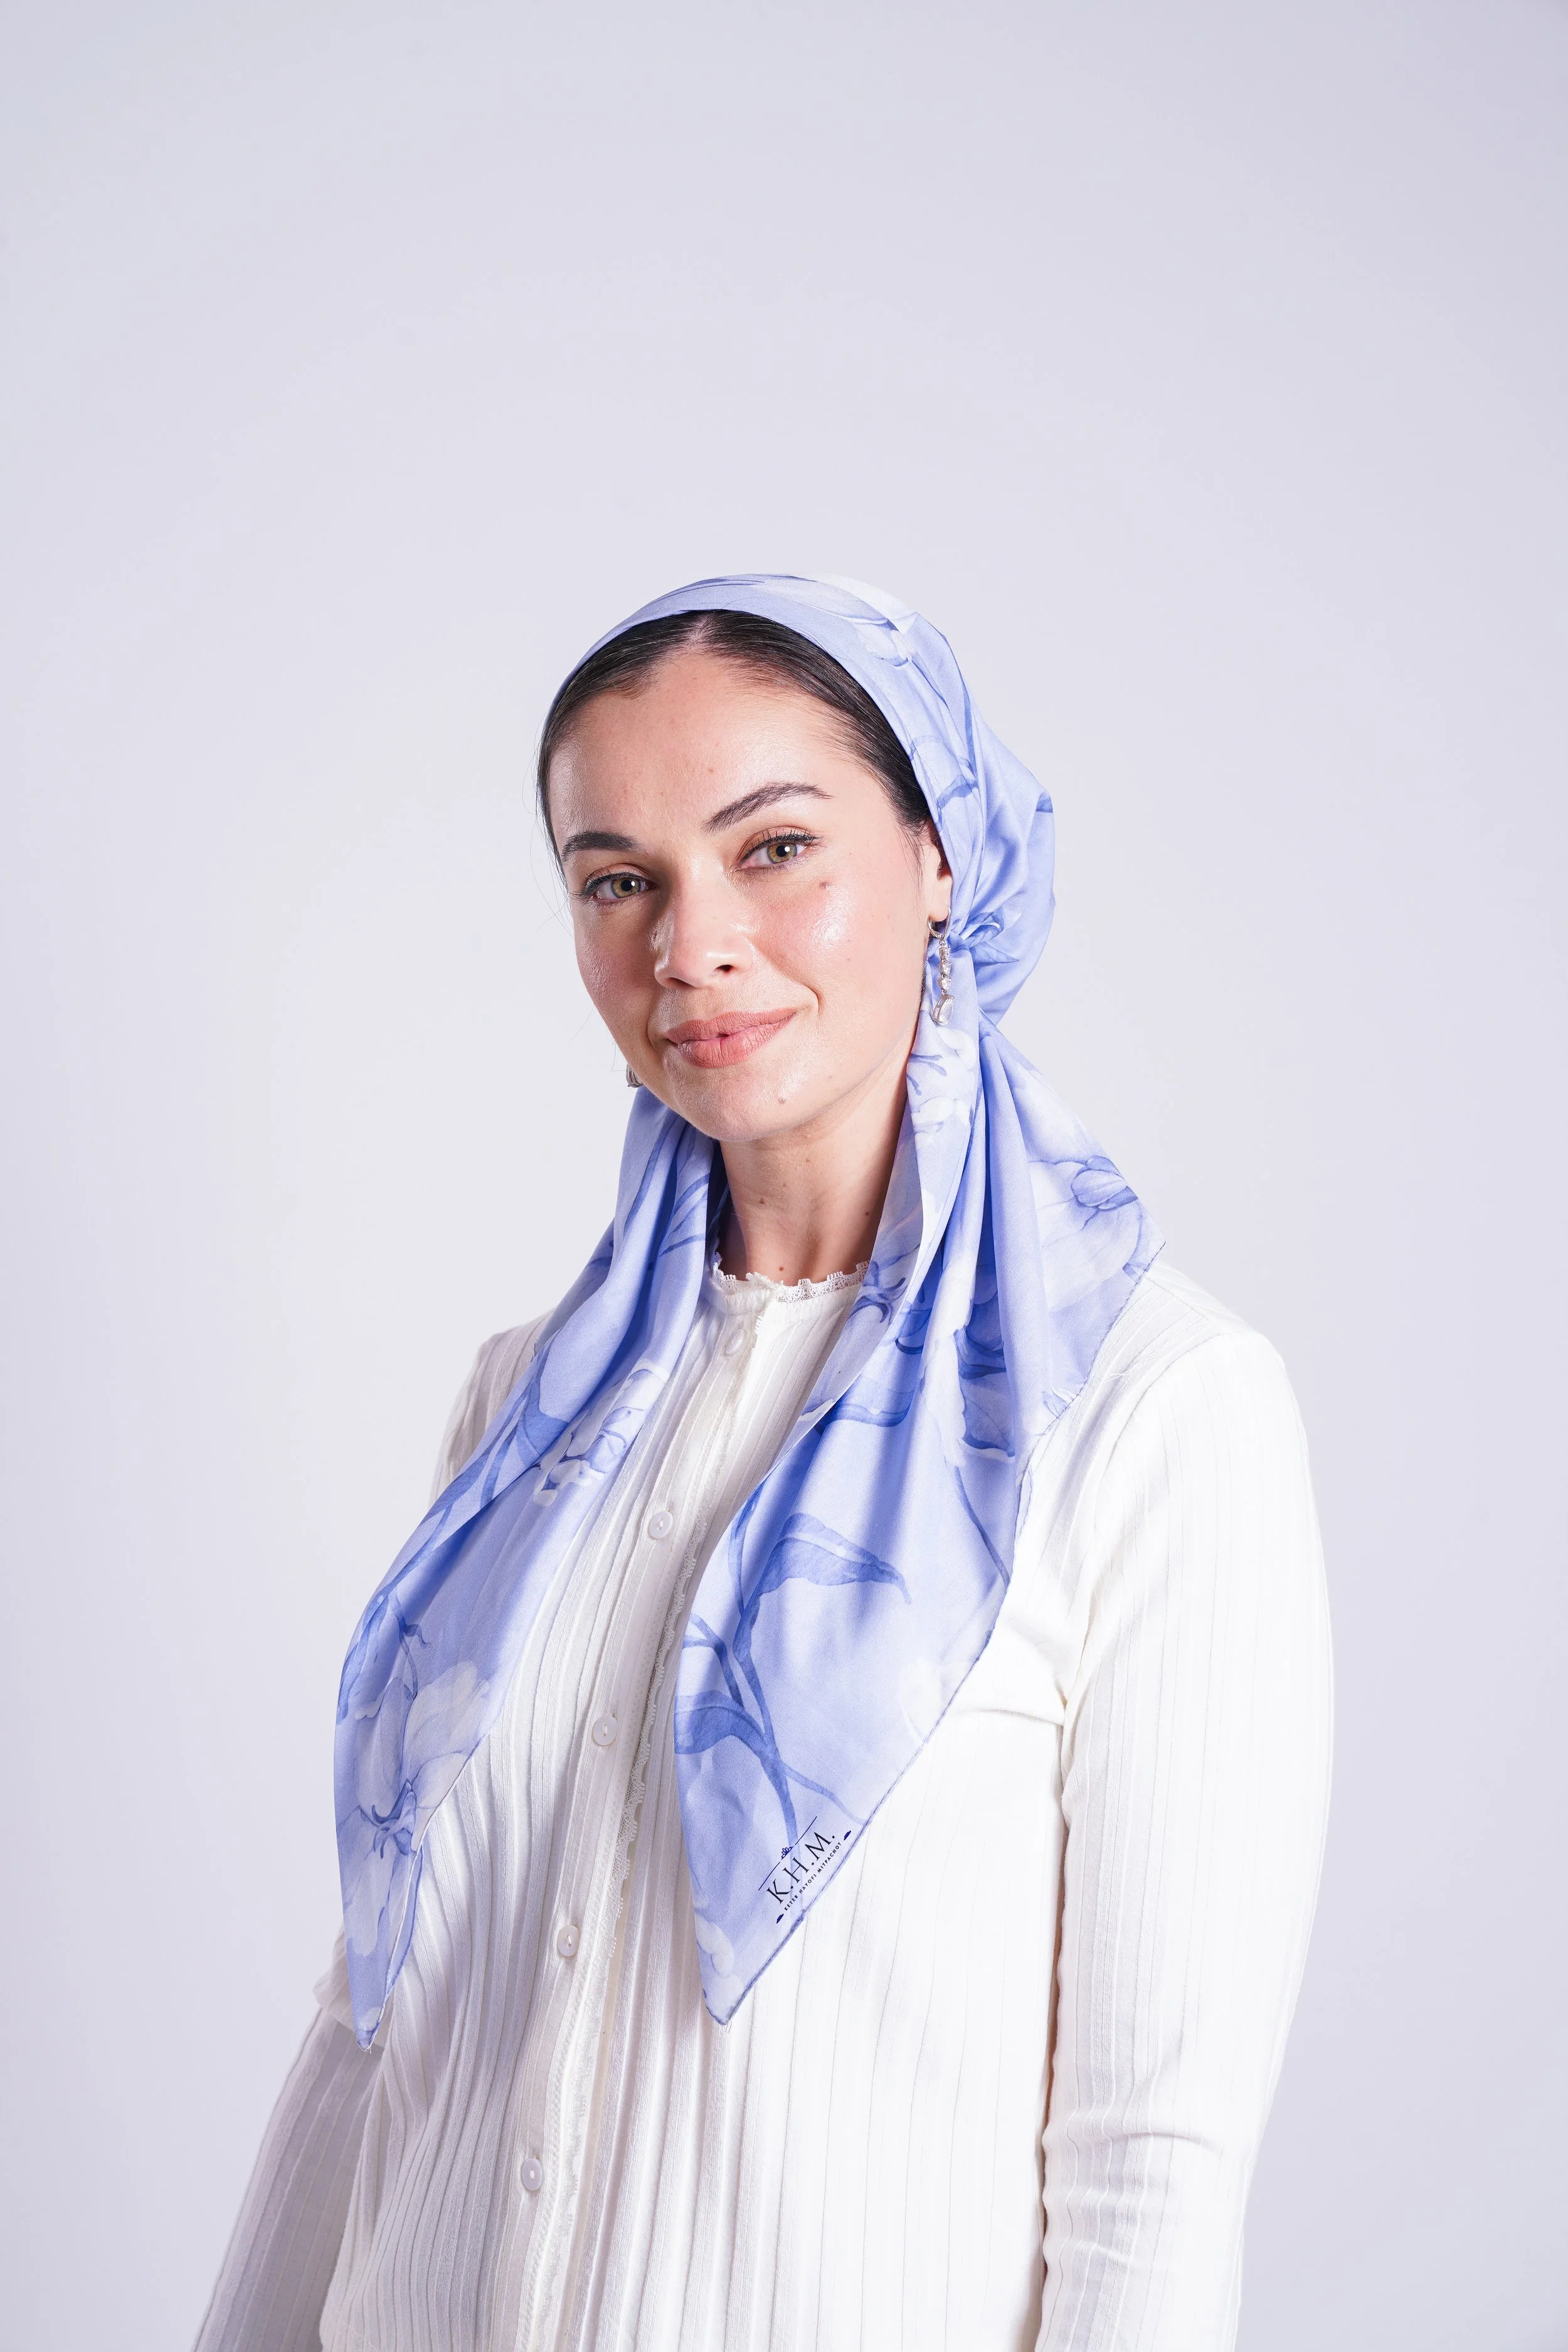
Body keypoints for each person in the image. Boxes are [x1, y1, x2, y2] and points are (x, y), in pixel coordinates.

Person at [196, 575, 1332, 2352]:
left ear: (938, 854)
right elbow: (379, 2022)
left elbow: (1149, 2163)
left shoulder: (1152, 1408)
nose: (690, 944)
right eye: (616, 878)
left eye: (773, 845)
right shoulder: (523, 1413)